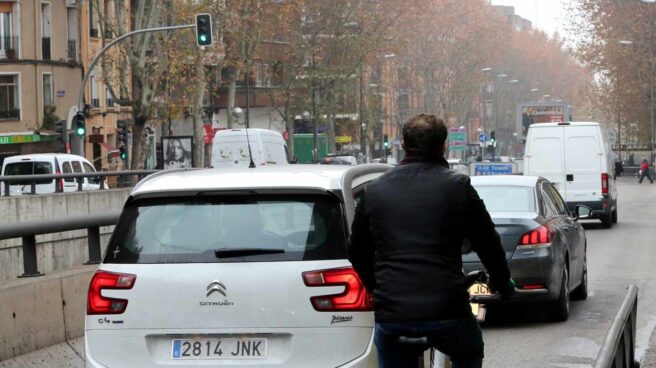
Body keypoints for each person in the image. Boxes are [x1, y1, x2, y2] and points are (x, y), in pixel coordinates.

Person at [348, 114, 513, 368]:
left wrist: (378, 289)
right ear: (443, 145)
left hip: (393, 314)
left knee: (388, 347)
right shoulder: (458, 187)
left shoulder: (374, 191)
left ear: (403, 145)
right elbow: (487, 242)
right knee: (470, 348)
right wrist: (502, 283)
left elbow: (357, 251)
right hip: (447, 311)